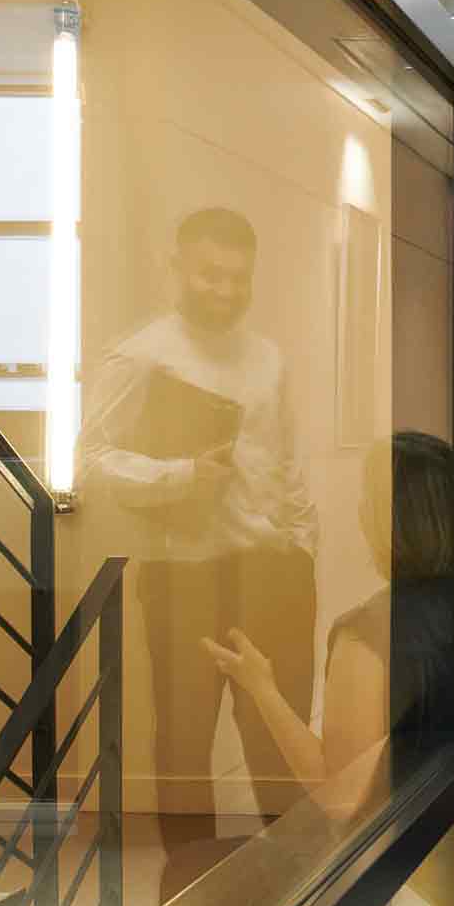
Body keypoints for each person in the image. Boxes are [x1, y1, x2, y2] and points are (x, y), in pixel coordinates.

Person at [203, 432, 454, 906]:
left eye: (368, 502)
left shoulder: (367, 635)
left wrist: (261, 687)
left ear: (392, 521)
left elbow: (339, 798)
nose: (362, 517)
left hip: (437, 874)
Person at [80, 207, 319, 827]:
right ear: (178, 268)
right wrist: (181, 475)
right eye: (211, 275)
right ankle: (188, 903)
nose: (226, 290)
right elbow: (92, 460)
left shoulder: (268, 357)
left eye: (239, 278)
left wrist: (302, 543)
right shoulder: (141, 357)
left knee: (281, 743)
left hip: (273, 572)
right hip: (183, 575)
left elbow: (284, 460)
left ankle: (294, 891)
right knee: (184, 748)